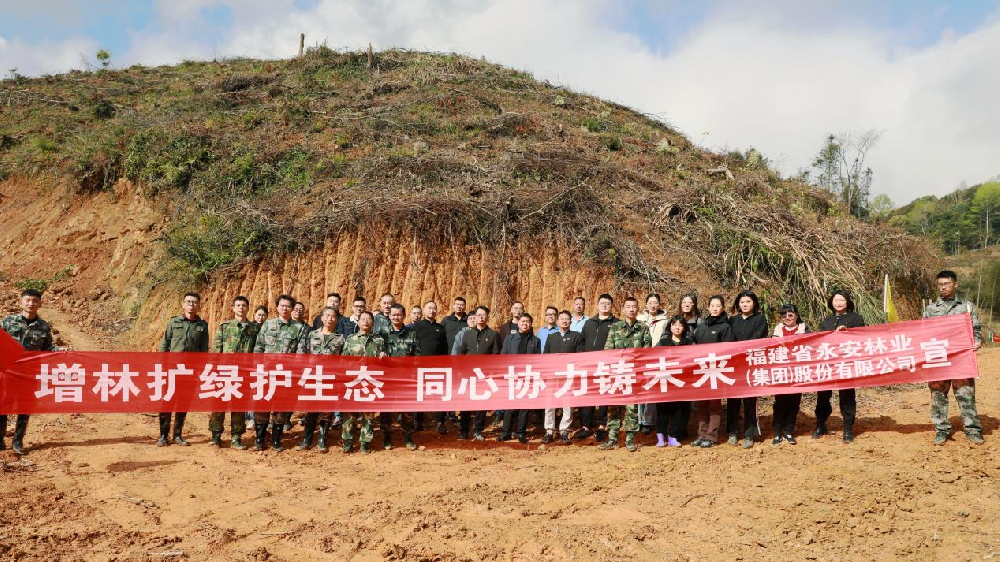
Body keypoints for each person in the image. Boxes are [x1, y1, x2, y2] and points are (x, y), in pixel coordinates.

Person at [923, 270, 984, 445]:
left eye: (946, 284)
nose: (942, 287)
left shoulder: (966, 307)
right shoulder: (930, 309)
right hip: (938, 358)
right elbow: (922, 333)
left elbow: (976, 329)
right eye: (940, 284)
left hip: (961, 358)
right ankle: (941, 429)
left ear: (955, 284)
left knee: (965, 393)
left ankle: (972, 429)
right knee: (938, 394)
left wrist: (977, 341)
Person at [252, 294, 310, 451]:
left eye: (288, 306)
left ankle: (276, 439)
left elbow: (300, 352)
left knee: (282, 407)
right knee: (262, 405)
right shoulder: (268, 325)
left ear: (292, 309)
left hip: (286, 374)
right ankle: (259, 439)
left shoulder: (298, 329)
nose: (285, 308)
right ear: (277, 307)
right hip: (266, 372)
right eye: (282, 305)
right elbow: (259, 346)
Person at [0, 288, 54, 454]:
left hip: (29, 374)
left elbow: (48, 350)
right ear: (21, 302)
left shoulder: (44, 327)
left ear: (40, 304)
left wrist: (62, 353)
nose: (31, 304)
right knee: (3, 405)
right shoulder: (8, 322)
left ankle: (18, 441)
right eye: (28, 300)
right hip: (8, 372)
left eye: (35, 301)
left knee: (25, 406)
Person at [157, 292, 209, 447]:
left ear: (199, 305)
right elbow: (165, 344)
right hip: (171, 370)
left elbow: (203, 350)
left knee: (183, 403)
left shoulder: (202, 326)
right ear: (183, 304)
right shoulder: (174, 322)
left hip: (190, 372)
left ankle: (178, 435)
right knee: (167, 402)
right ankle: (163, 436)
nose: (191, 304)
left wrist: (200, 370)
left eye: (194, 302)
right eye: (188, 302)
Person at [600, 296, 652, 452]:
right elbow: (608, 351)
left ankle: (630, 439)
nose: (631, 309)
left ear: (638, 309)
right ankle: (612, 438)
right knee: (614, 407)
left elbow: (647, 352)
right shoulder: (615, 327)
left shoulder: (643, 328)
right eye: (628, 306)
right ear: (623, 309)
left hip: (634, 374)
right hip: (617, 373)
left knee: (632, 408)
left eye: (634, 306)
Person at [209, 295, 259, 450]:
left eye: (244, 305)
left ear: (248, 308)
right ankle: (216, 436)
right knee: (218, 404)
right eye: (238, 305)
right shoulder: (225, 326)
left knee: (239, 406)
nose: (241, 308)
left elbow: (256, 351)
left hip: (243, 372)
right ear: (233, 308)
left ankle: (236, 437)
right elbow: (216, 349)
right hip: (224, 370)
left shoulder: (254, 328)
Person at [815, 289, 866, 442]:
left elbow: (862, 338)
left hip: (847, 364)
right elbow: (820, 340)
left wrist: (847, 333)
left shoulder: (856, 318)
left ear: (848, 302)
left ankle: (848, 428)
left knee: (847, 396)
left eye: (842, 300)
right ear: (831, 302)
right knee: (823, 395)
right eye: (836, 300)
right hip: (828, 364)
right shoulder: (826, 321)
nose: (838, 303)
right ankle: (820, 424)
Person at [298, 306, 345, 453]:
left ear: (337, 320)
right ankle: (307, 439)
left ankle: (322, 439)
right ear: (322, 318)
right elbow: (302, 354)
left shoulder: (341, 339)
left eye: (333, 316)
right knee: (310, 410)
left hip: (330, 379)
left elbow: (344, 360)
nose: (330, 318)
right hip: (313, 378)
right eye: (327, 316)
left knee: (327, 411)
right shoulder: (311, 335)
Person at [340, 311, 388, 454]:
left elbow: (385, 361)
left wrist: (384, 357)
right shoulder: (351, 339)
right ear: (358, 322)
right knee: (350, 414)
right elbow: (343, 360)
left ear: (373, 323)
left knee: (368, 414)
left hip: (370, 382)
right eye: (363, 319)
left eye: (369, 319)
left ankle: (364, 442)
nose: (366, 321)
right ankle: (348, 441)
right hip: (354, 381)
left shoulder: (379, 340)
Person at [690, 295, 734, 448]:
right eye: (712, 305)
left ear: (722, 308)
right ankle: (701, 435)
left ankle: (711, 436)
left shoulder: (725, 327)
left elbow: (728, 350)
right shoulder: (701, 326)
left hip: (717, 371)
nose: (715, 308)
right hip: (701, 371)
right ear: (708, 307)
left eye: (718, 306)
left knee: (714, 405)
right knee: (702, 405)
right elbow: (694, 346)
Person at [727, 290, 768, 448]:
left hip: (752, 364)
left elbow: (758, 338)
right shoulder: (732, 320)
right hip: (734, 365)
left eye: (748, 302)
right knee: (733, 400)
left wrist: (742, 349)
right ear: (738, 304)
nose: (745, 305)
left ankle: (749, 434)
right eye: (742, 302)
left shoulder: (760, 319)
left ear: (754, 303)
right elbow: (728, 339)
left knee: (750, 400)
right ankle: (732, 432)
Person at [455, 305, 500, 440]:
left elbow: (495, 355)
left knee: (482, 404)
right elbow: (461, 353)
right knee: (466, 403)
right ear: (475, 317)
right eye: (478, 315)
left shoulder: (493, 335)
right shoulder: (467, 334)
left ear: (487, 317)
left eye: (483, 315)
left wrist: (491, 373)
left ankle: (478, 430)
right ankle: (464, 430)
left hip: (483, 375)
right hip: (468, 375)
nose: (480, 317)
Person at [577, 293, 618, 441]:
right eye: (602, 303)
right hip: (589, 364)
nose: (605, 305)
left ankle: (602, 425)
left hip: (607, 365)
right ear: (597, 305)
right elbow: (581, 341)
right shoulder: (589, 323)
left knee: (604, 394)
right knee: (588, 394)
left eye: (608, 303)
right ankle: (586, 426)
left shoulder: (616, 323)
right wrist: (582, 356)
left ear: (611, 306)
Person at [497, 313, 542, 444]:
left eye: (528, 322)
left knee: (524, 407)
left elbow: (538, 360)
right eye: (523, 321)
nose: (525, 324)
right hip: (512, 375)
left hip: (527, 376)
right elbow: (503, 356)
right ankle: (506, 432)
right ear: (518, 323)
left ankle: (521, 433)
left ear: (531, 324)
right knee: (509, 406)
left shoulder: (535, 341)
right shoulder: (510, 339)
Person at [541, 310, 584, 444]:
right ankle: (549, 431)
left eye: (567, 319)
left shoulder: (577, 336)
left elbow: (580, 356)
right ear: (557, 321)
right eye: (562, 319)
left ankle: (564, 431)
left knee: (567, 405)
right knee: (549, 404)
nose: (564, 321)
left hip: (568, 377)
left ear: (570, 322)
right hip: (553, 376)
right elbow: (545, 357)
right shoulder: (551, 337)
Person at [382, 303, 420, 450]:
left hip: (406, 378)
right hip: (388, 379)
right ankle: (387, 437)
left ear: (404, 316)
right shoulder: (383, 333)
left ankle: (408, 437)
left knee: (407, 410)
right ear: (389, 316)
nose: (396, 317)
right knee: (386, 410)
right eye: (393, 314)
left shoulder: (411, 333)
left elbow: (417, 356)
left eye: (399, 314)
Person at [770, 303, 809, 446]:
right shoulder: (777, 330)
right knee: (780, 402)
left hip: (798, 372)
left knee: (794, 402)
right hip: (781, 371)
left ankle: (788, 431)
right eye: (784, 315)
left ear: (797, 316)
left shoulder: (804, 329)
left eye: (791, 315)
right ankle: (776, 431)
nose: (787, 317)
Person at [655, 316, 692, 447]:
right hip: (665, 381)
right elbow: (653, 358)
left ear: (684, 328)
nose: (677, 327)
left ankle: (673, 436)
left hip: (681, 382)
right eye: (674, 324)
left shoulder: (689, 343)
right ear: (670, 327)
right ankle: (660, 436)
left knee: (678, 410)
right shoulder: (662, 342)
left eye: (680, 325)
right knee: (662, 411)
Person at [413, 300, 449, 433]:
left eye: (434, 308)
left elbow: (445, 348)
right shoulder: (417, 326)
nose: (432, 310)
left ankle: (441, 422)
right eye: (429, 308)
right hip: (421, 367)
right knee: (420, 394)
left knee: (439, 394)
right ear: (423, 310)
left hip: (438, 367)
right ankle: (418, 421)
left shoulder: (441, 327)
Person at [637, 293, 668, 433]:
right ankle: (639, 420)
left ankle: (648, 421)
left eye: (655, 302)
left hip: (657, 358)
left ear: (659, 304)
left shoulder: (665, 321)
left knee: (652, 388)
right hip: (640, 358)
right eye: (650, 302)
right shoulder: (639, 319)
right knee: (640, 388)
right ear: (646, 304)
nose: (653, 305)